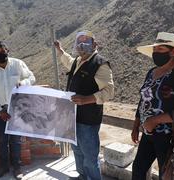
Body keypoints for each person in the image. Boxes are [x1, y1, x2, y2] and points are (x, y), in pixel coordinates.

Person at [54, 30, 114, 180]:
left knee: (90, 156)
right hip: (73, 117)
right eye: (79, 42)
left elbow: (109, 91)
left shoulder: (100, 64)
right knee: (77, 150)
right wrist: (60, 50)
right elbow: (67, 61)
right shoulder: (78, 61)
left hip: (88, 120)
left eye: (85, 42)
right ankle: (82, 176)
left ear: (94, 44)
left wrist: (86, 99)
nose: (81, 46)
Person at [131, 32, 174, 179]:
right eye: (155, 50)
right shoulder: (152, 72)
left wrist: (154, 121)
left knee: (167, 173)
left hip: (169, 135)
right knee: (138, 169)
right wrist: (136, 124)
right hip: (149, 133)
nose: (156, 53)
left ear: (173, 51)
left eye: (160, 50)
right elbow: (144, 100)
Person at [0, 40, 35, 179]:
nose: (0, 53)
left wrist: (23, 82)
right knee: (2, 140)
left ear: (8, 50)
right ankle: (4, 167)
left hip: (17, 109)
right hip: (0, 111)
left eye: (2, 50)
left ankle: (17, 167)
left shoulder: (18, 64)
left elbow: (32, 77)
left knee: (16, 140)